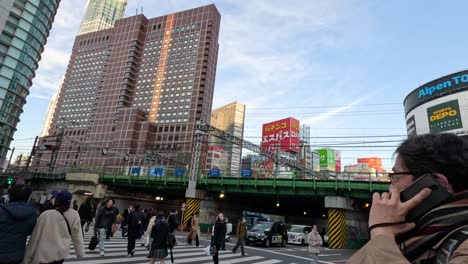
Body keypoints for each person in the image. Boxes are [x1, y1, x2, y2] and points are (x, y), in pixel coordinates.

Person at [348, 133, 468, 263]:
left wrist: (381, 232)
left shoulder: (463, 247)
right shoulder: (416, 236)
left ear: (434, 185)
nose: (390, 190)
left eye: (396, 177)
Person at [24, 190, 84, 264]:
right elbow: (77, 237)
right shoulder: (74, 215)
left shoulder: (46, 214)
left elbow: (35, 238)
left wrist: (27, 258)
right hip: (60, 254)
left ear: (56, 201)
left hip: (43, 254)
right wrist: (80, 253)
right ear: (69, 202)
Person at [0, 185, 37, 264]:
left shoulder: (2, 210)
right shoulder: (32, 213)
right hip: (17, 254)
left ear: (10, 196)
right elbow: (28, 231)